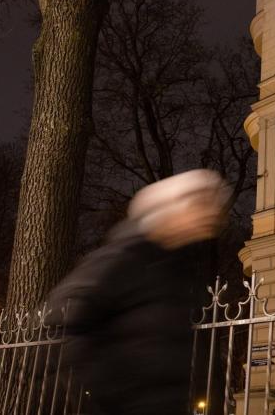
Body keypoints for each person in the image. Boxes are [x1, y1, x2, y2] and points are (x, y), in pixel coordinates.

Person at [46, 169, 232, 414]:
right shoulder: (125, 257)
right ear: (175, 210)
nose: (211, 216)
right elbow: (67, 314)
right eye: (201, 205)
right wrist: (112, 392)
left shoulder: (178, 269)